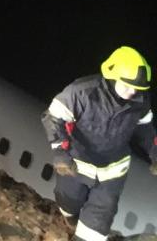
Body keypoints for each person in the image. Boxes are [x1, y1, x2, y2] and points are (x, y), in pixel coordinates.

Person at [41, 46, 157, 241]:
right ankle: (71, 217)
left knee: (98, 221)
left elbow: (146, 131)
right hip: (77, 164)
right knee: (68, 202)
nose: (132, 93)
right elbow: (53, 117)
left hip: (112, 171)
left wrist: (155, 154)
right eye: (127, 86)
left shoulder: (141, 101)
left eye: (137, 88)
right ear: (113, 76)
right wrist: (61, 152)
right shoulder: (83, 92)